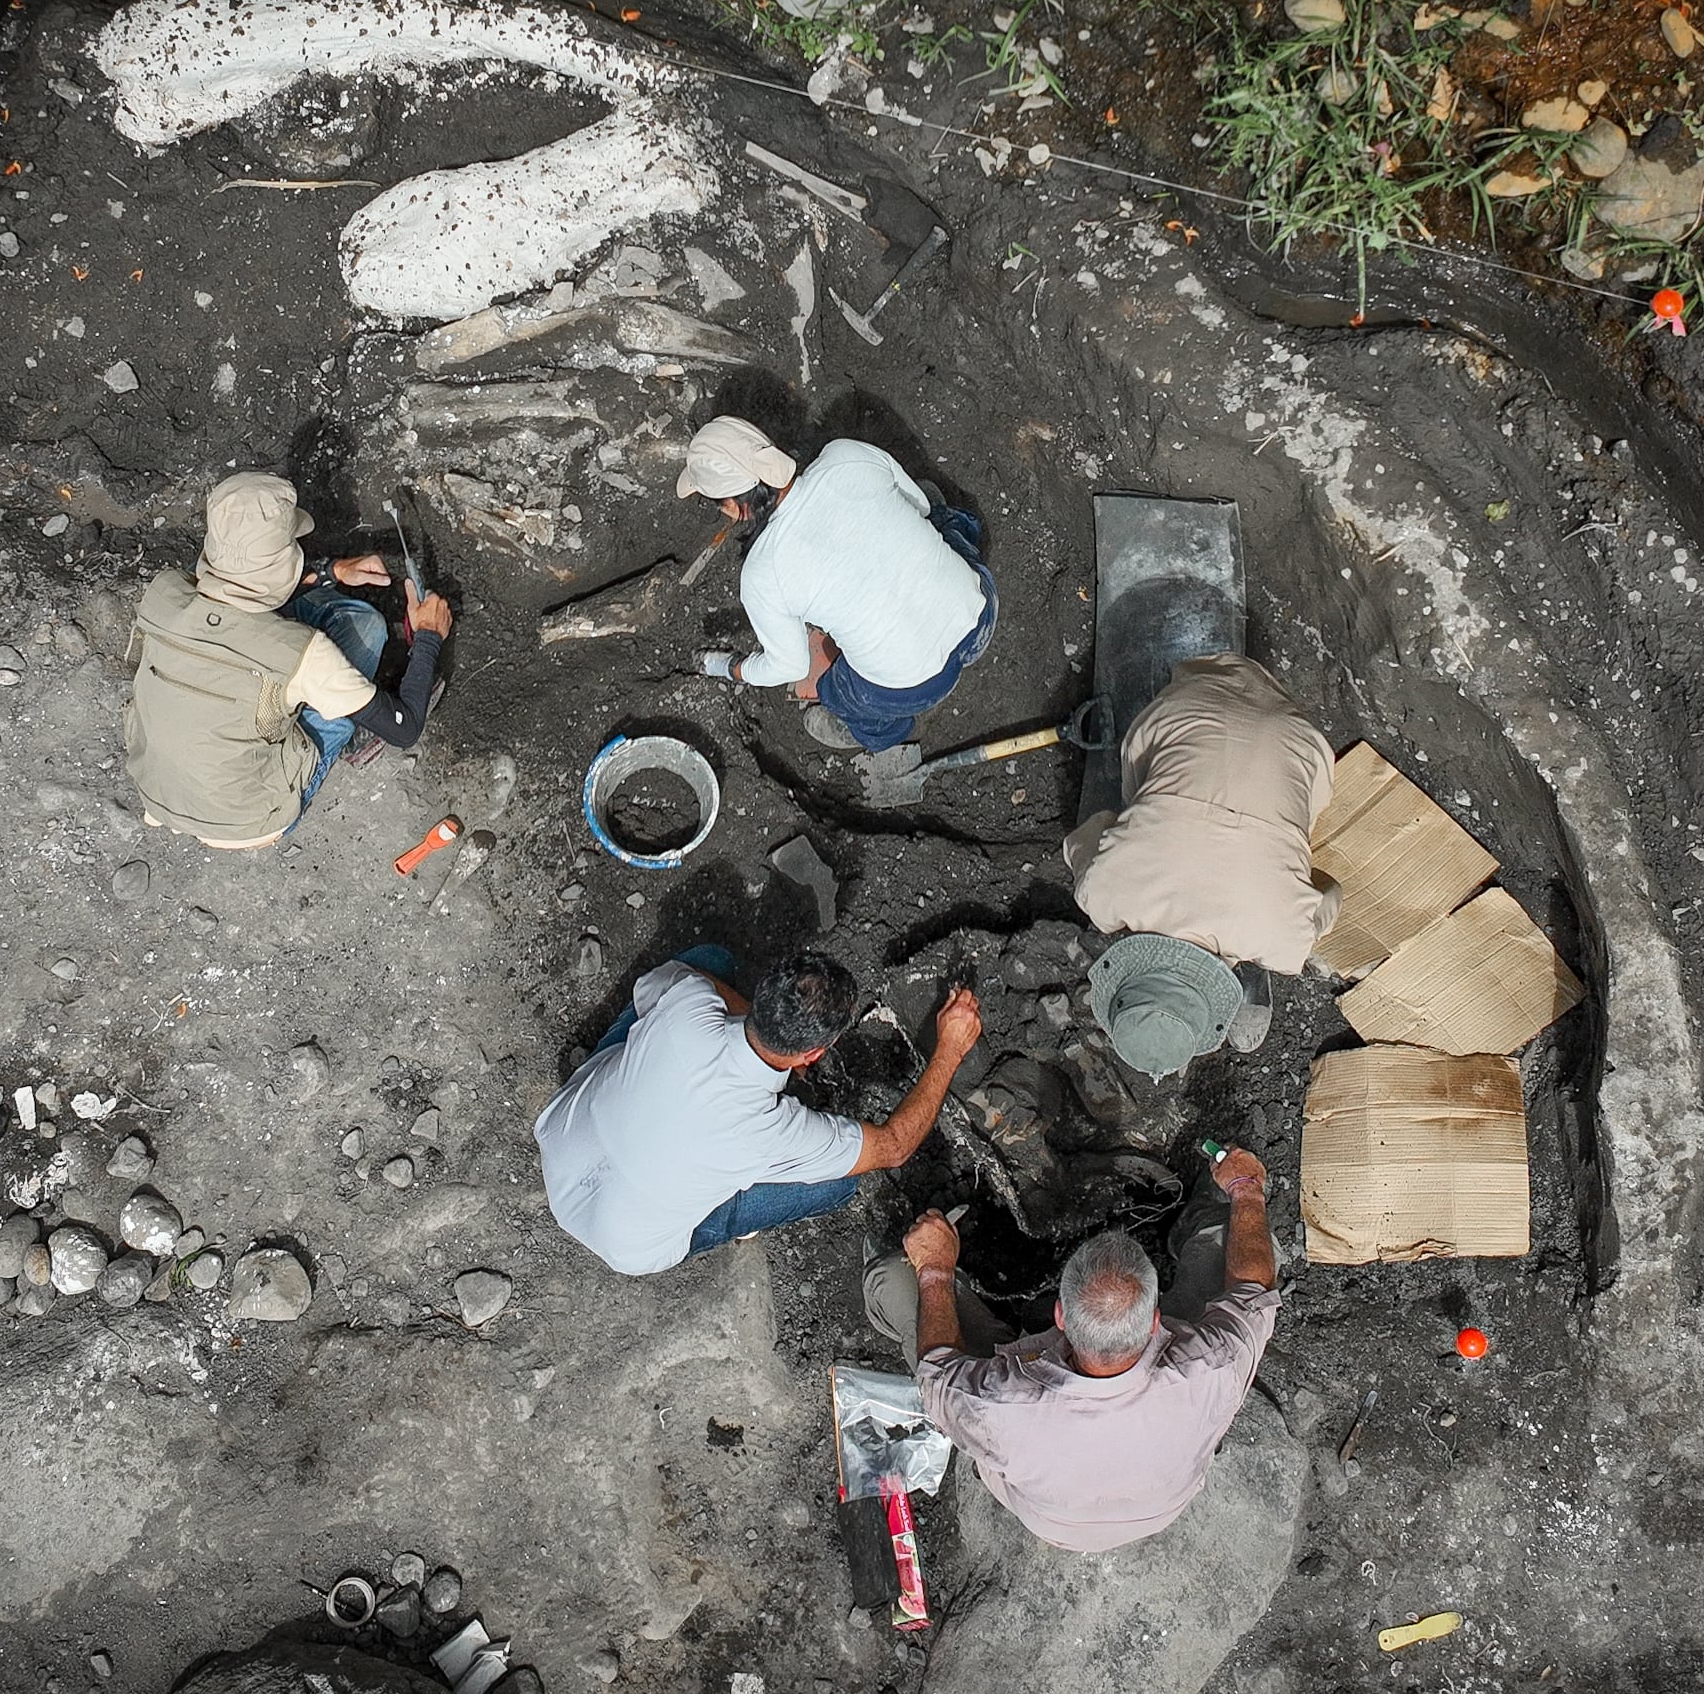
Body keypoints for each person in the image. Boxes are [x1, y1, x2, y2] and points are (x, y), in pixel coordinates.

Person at [863, 1146, 1279, 1553]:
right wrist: (1244, 1186)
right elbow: (1254, 1293)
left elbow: (937, 1376)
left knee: (889, 1277)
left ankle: (963, 1308)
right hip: (1156, 1508)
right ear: (1155, 1321)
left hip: (1055, 1522)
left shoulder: (1001, 1407)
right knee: (1248, 1241)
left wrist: (935, 1268)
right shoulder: (1210, 1367)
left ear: (1059, 1316)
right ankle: (1205, 1212)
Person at [536, 945, 983, 1276]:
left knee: (711, 958)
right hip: (630, 1245)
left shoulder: (690, 1002)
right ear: (814, 1054)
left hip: (563, 1142)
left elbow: (660, 986)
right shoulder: (769, 1134)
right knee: (839, 1185)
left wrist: (776, 1045)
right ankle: (731, 1218)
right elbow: (894, 1147)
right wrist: (950, 1049)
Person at [124, 470, 451, 850]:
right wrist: (428, 636)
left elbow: (236, 588)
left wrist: (332, 572)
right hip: (248, 819)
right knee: (365, 636)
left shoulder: (164, 593)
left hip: (158, 789)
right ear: (283, 560)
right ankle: (351, 734)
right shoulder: (304, 654)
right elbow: (405, 728)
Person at [1063, 653, 1341, 1067]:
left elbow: (1332, 893)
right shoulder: (1104, 894)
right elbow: (1090, 831)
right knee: (1138, 797)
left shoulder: (1283, 941)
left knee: (1290, 831)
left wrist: (1280, 884)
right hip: (1188, 701)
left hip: (1298, 735)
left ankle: (1240, 960)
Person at [680, 414, 996, 754]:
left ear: (732, 506)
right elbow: (918, 505)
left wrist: (734, 668)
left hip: (915, 687)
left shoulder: (761, 575)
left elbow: (791, 666)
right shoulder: (845, 455)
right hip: (981, 613)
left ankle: (882, 733)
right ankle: (964, 530)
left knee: (834, 691)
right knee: (937, 518)